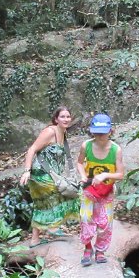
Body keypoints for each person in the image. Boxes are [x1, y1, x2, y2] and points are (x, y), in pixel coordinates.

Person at [19, 106, 80, 247]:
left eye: (68, 116)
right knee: (61, 194)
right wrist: (27, 170)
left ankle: (35, 239)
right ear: (56, 119)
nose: (66, 119)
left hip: (51, 174)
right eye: (62, 117)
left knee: (42, 204)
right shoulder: (49, 131)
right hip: (40, 173)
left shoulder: (63, 132)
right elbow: (32, 149)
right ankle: (53, 228)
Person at [76, 113, 124, 266]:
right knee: (85, 218)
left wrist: (105, 175)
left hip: (107, 190)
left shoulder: (116, 150)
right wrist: (83, 175)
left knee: (105, 222)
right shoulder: (86, 145)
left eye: (103, 133)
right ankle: (87, 248)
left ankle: (100, 251)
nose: (100, 136)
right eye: (97, 133)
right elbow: (79, 163)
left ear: (110, 131)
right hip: (89, 188)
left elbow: (120, 174)